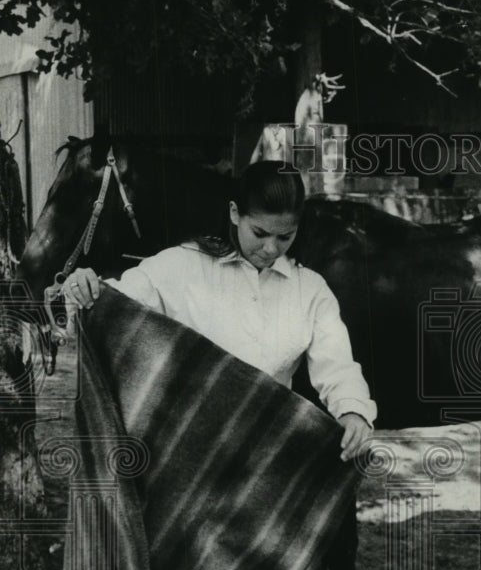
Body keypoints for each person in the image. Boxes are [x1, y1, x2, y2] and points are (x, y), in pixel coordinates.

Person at [61, 161, 376, 462]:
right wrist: (84, 287)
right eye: (260, 233)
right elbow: (112, 304)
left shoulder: (310, 290)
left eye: (285, 237)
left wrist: (353, 411)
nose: (270, 249)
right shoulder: (184, 266)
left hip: (267, 454)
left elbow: (337, 366)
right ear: (235, 213)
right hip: (186, 452)